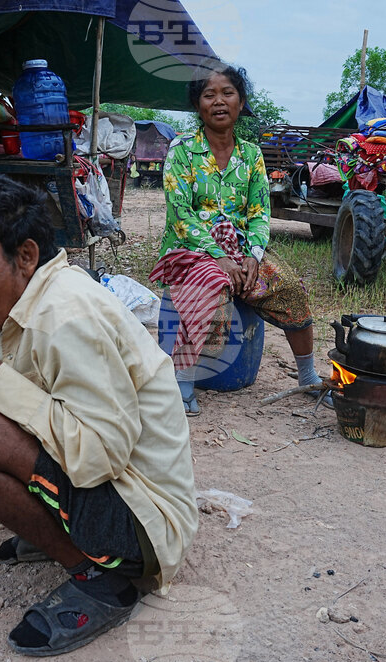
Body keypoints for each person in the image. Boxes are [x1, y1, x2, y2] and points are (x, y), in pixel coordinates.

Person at [0, 173, 197, 657]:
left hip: (145, 522)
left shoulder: (67, 316)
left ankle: (102, 578)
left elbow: (101, 457)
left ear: (26, 256)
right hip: (115, 493)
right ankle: (66, 529)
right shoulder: (17, 305)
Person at [149, 62, 330, 415]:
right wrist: (219, 257)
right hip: (191, 250)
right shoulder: (182, 151)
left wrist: (253, 255)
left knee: (290, 286)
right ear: (198, 105)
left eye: (227, 93)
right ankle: (182, 382)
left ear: (241, 102)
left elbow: (260, 212)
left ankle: (307, 376)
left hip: (241, 252)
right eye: (209, 94)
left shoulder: (251, 155)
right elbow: (181, 214)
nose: (219, 101)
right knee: (211, 285)